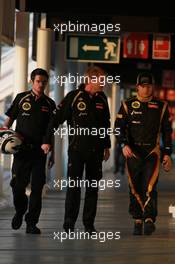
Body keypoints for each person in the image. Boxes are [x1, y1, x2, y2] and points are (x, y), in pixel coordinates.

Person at [41, 66, 111, 235]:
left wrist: (106, 146)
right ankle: (69, 223)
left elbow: (105, 125)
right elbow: (55, 120)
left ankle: (89, 225)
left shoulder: (102, 99)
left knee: (92, 188)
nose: (103, 83)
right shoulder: (74, 97)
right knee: (74, 187)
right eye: (101, 80)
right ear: (90, 80)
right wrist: (47, 141)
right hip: (77, 150)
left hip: (96, 151)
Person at [114, 72, 172, 236]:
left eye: (149, 86)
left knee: (150, 186)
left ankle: (149, 219)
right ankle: (137, 219)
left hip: (152, 153)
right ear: (137, 87)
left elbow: (167, 132)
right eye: (143, 86)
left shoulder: (162, 106)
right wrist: (124, 144)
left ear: (152, 87)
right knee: (134, 187)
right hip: (132, 152)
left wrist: (167, 153)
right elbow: (118, 128)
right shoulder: (127, 105)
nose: (146, 89)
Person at [3, 68, 56, 234]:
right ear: (31, 81)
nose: (41, 84)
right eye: (38, 81)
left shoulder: (50, 104)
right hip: (21, 151)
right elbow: (8, 122)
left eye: (44, 82)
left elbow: (50, 130)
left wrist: (51, 151)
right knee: (17, 186)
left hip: (39, 153)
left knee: (37, 188)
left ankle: (31, 222)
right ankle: (20, 210)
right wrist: (4, 137)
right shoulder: (21, 98)